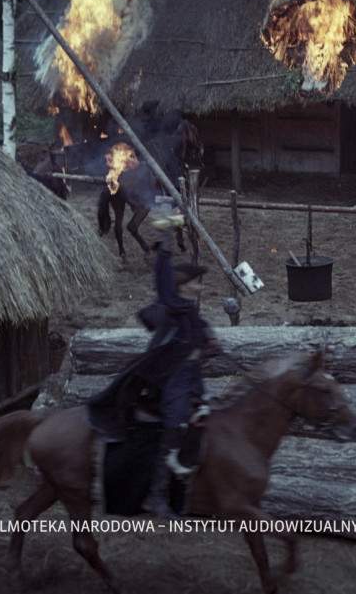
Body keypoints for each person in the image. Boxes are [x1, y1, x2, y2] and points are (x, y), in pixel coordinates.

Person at [87, 214, 216, 519]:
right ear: (182, 286)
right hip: (171, 382)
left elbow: (199, 333)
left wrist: (209, 338)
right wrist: (165, 242)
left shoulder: (190, 312)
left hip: (191, 380)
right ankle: (156, 496)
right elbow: (163, 281)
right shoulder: (172, 304)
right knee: (176, 426)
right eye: (195, 282)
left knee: (208, 416)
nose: (199, 287)